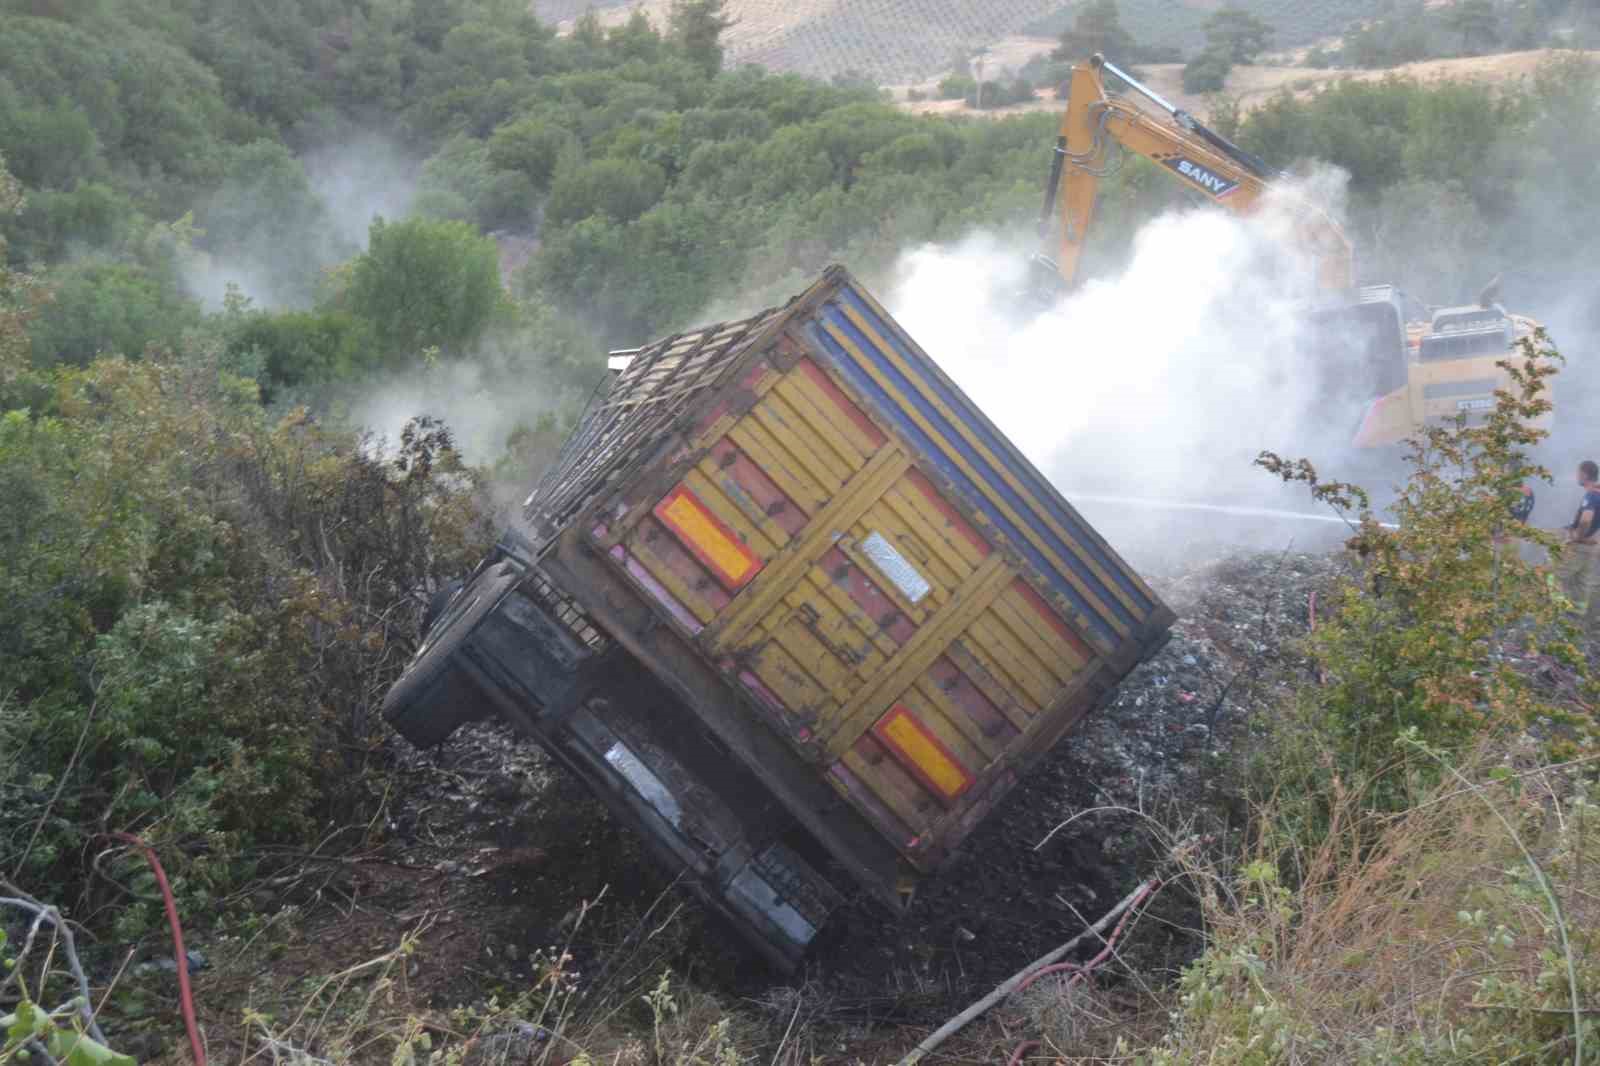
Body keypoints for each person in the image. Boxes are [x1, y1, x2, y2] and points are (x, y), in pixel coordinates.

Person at [1556, 460, 1600, 640]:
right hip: (1591, 548)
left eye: (1577, 472)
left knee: (1553, 573)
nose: (1576, 476)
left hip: (1581, 547)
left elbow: (1586, 520)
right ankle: (1578, 617)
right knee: (1582, 582)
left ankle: (1556, 610)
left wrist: (1577, 537)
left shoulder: (1590, 495)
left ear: (1585, 474)